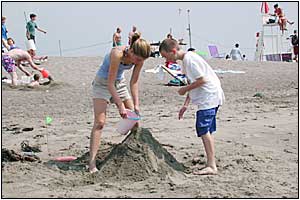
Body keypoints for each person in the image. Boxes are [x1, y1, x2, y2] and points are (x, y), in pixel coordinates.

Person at [159, 38, 225, 175]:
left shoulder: (190, 60)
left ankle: (212, 165)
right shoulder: (186, 60)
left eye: (166, 56)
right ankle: (210, 160)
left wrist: (184, 90)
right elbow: (194, 81)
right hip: (210, 96)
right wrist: (185, 105)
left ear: (173, 51)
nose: (168, 60)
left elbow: (202, 80)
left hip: (209, 97)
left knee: (203, 129)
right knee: (207, 130)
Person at [89, 32, 151, 173]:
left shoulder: (140, 59)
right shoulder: (117, 53)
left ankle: (136, 156)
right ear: (131, 50)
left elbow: (134, 82)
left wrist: (136, 104)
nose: (137, 62)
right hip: (103, 84)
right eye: (136, 58)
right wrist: (120, 106)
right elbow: (110, 84)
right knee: (100, 122)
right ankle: (92, 163)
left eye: (140, 60)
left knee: (135, 122)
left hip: (120, 84)